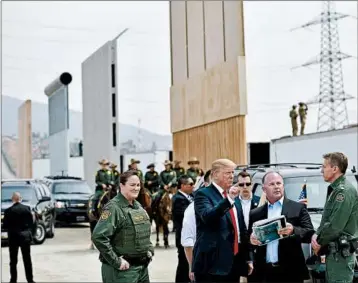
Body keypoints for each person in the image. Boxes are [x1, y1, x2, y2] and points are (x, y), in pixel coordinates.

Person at [193, 159, 253, 283]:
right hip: (212, 265)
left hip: (234, 263)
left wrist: (248, 258)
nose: (232, 176)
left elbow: (241, 230)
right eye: (227, 173)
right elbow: (208, 217)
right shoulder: (203, 194)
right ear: (215, 174)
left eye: (232, 173)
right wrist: (229, 199)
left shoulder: (234, 196)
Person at [249, 171, 314, 283]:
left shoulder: (298, 208)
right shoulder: (255, 213)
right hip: (264, 272)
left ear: (283, 186)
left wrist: (293, 230)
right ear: (264, 189)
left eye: (279, 183)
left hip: (290, 272)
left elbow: (310, 234)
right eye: (272, 184)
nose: (276, 187)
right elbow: (247, 240)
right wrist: (251, 240)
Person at [92, 171, 154, 283]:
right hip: (122, 272)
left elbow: (143, 231)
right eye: (132, 185)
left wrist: (149, 250)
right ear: (122, 185)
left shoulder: (137, 206)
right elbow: (99, 237)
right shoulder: (113, 208)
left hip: (142, 269)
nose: (136, 188)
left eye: (138, 185)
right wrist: (116, 261)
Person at [311, 152, 358, 283]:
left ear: (335, 169)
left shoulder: (343, 191)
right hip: (335, 256)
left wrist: (318, 242)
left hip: (341, 257)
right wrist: (317, 235)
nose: (321, 170)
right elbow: (327, 220)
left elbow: (335, 226)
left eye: (324, 166)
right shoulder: (336, 189)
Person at [181, 170, 211, 282]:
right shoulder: (193, 209)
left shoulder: (230, 204)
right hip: (205, 266)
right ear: (206, 184)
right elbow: (188, 242)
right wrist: (192, 266)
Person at [3, 192, 35, 283]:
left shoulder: (8, 211)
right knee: (27, 259)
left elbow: (5, 225)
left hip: (13, 237)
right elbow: (31, 223)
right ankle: (30, 280)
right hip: (25, 236)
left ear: (12, 199)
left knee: (13, 261)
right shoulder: (27, 209)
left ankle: (13, 280)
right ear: (20, 199)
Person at [172, 175, 195, 283]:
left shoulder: (190, 196)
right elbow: (185, 216)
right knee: (183, 264)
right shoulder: (178, 199)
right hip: (183, 237)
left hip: (190, 236)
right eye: (190, 184)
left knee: (187, 264)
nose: (193, 186)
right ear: (182, 186)